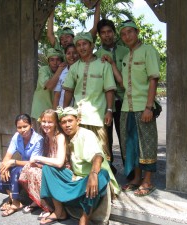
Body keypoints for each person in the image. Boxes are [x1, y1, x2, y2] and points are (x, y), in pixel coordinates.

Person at [40, 107, 120, 225]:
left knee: (101, 175)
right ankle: (59, 211)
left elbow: (97, 156)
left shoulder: (86, 134)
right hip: (76, 178)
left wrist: (93, 174)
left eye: (70, 121)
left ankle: (84, 219)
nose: (67, 125)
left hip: (91, 179)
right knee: (48, 168)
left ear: (78, 121)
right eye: (63, 122)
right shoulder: (65, 136)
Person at [118, 20, 160, 196]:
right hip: (127, 108)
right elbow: (122, 84)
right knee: (131, 146)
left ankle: (148, 181)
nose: (127, 36)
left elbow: (153, 78)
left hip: (143, 106)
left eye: (130, 32)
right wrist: (113, 66)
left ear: (137, 32)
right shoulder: (126, 57)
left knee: (146, 144)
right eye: (123, 34)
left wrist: (149, 107)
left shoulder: (148, 50)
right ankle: (136, 178)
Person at [62, 32, 117, 161]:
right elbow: (68, 90)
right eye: (79, 45)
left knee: (101, 150)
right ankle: (83, 179)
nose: (82, 48)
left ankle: (103, 179)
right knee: (79, 151)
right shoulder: (74, 67)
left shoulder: (104, 65)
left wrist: (109, 110)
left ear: (92, 45)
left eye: (85, 44)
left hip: (97, 117)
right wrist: (65, 111)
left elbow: (109, 90)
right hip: (79, 117)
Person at [19, 109, 70, 221]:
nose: (46, 125)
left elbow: (59, 162)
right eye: (44, 121)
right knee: (28, 167)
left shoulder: (59, 137)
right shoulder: (46, 136)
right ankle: (40, 202)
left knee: (37, 171)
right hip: (50, 168)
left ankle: (52, 209)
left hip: (62, 171)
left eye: (50, 122)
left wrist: (38, 158)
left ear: (56, 123)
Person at [95, 18, 129, 174]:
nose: (107, 35)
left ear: (114, 33)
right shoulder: (96, 56)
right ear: (99, 36)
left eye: (109, 32)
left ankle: (130, 170)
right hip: (105, 103)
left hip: (124, 101)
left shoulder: (126, 51)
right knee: (105, 137)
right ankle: (108, 170)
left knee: (125, 137)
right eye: (103, 33)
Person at [0, 114, 43, 217]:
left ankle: (14, 202)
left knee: (15, 171)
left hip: (35, 167)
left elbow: (33, 162)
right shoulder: (17, 137)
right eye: (19, 127)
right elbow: (7, 156)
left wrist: (13, 162)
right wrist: (5, 166)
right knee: (2, 167)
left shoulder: (38, 140)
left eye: (25, 126)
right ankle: (13, 199)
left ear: (31, 125)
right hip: (23, 165)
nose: (22, 130)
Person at [31, 48, 64, 122]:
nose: (55, 63)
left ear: (62, 61)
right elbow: (49, 86)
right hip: (40, 111)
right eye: (52, 60)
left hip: (54, 111)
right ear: (48, 62)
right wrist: (60, 69)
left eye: (58, 60)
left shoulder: (64, 71)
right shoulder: (44, 70)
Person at [53, 43, 79, 108]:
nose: (71, 56)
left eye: (74, 53)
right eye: (68, 53)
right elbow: (57, 95)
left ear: (79, 54)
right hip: (62, 110)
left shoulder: (82, 69)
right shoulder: (62, 70)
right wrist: (55, 113)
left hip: (78, 110)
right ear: (65, 55)